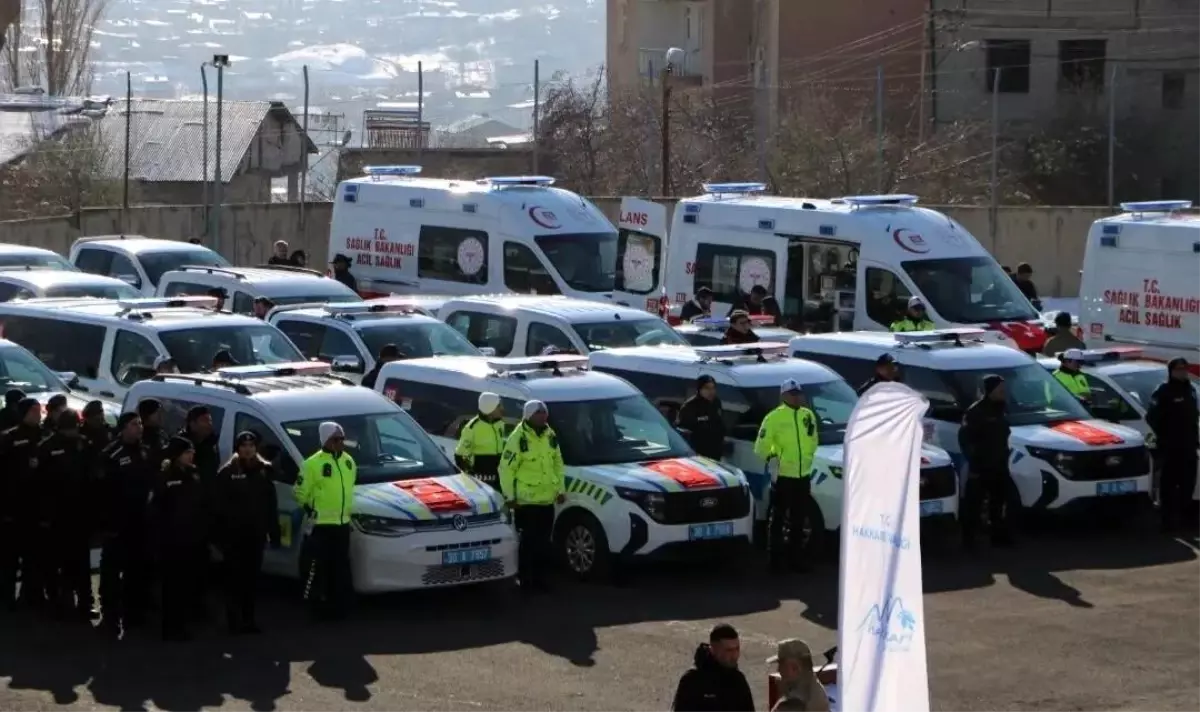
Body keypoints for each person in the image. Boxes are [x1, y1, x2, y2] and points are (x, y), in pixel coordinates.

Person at [213, 431, 281, 634]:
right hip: (233, 536)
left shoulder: (264, 470)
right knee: (234, 580)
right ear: (238, 448)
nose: (248, 449)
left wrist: (274, 532)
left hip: (256, 535)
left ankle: (249, 620)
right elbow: (217, 507)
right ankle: (233, 621)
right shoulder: (227, 472)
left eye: (251, 446)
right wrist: (219, 537)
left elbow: (271, 505)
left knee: (252, 580)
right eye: (244, 446)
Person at [499, 400, 565, 592]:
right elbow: (506, 469)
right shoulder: (518, 438)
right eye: (539, 413)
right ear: (529, 415)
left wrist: (560, 490)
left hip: (547, 500)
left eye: (544, 412)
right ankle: (525, 580)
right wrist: (509, 497)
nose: (543, 415)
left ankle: (540, 580)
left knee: (544, 542)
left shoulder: (550, 434)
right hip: (526, 502)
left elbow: (557, 463)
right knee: (528, 543)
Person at [754, 379, 820, 573]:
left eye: (798, 393)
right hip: (783, 476)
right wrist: (773, 458)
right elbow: (761, 446)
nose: (797, 397)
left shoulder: (807, 415)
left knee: (799, 519)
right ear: (783, 396)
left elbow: (813, 439)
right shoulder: (774, 417)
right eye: (792, 394)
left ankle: (796, 559)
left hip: (803, 475)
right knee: (778, 519)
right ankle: (775, 561)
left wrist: (808, 457)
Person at [98, 412, 154, 637]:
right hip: (117, 524)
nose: (139, 427)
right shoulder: (111, 454)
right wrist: (106, 523)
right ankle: (110, 618)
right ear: (123, 428)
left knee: (137, 571)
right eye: (133, 424)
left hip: (139, 523)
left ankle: (133, 615)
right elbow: (101, 492)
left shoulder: (146, 451)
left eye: (140, 423)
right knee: (111, 574)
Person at [296, 421, 356, 620]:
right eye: (336, 439)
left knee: (340, 567)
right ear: (326, 439)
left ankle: (338, 606)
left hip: (342, 524)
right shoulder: (312, 464)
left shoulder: (349, 462)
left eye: (342, 439)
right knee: (317, 567)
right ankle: (316, 607)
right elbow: (299, 492)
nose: (340, 443)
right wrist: (310, 509)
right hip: (321, 525)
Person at [38, 409, 94, 620]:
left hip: (79, 513)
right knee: (56, 562)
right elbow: (40, 485)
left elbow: (91, 479)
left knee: (80, 562)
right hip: (56, 515)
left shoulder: (83, 444)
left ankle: (85, 602)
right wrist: (44, 516)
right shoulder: (48, 447)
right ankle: (58, 602)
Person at [150, 436, 206, 641]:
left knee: (185, 584)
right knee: (171, 586)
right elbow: (155, 510)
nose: (191, 456)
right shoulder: (165, 477)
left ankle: (182, 623)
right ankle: (170, 627)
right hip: (171, 540)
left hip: (191, 538)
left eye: (192, 452)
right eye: (187, 453)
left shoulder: (194, 474)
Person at [958, 374, 1019, 549]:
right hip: (980, 467)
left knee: (1002, 502)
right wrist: (975, 464)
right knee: (974, 505)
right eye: (1000, 389)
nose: (1003, 392)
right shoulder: (975, 412)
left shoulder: (1001, 408)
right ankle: (969, 541)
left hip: (999, 465)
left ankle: (998, 536)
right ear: (990, 390)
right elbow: (965, 440)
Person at [1146, 358, 1199, 533]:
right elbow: (1151, 417)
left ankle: (1186, 519)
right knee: (1168, 485)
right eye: (1179, 369)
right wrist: (1166, 435)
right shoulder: (1163, 391)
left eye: (1185, 368)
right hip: (1170, 447)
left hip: (1189, 446)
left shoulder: (1191, 389)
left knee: (1188, 484)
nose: (1183, 371)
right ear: (1171, 371)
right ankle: (1167, 521)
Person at [1, 398, 43, 608]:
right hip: (13, 506)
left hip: (35, 507)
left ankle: (30, 596)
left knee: (33, 556)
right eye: (33, 410)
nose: (37, 414)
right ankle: (6, 597)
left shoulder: (45, 436)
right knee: (9, 557)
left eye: (38, 410)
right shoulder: (9, 437)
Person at [671, 623, 755, 712]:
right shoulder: (692, 680)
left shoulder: (738, 680)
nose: (734, 655)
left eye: (737, 649)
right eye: (729, 650)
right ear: (713, 650)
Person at [455, 392, 507, 490]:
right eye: (499, 406)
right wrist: (472, 476)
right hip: (481, 479)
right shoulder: (472, 428)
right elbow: (460, 456)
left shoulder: (500, 424)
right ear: (490, 408)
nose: (502, 409)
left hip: (497, 477)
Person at [768, 639, 830, 712]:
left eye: (782, 665)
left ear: (795, 667)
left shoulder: (794, 702)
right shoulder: (811, 684)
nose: (778, 670)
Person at [676, 375, 726, 460]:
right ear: (700, 389)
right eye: (707, 388)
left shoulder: (716, 402)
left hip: (715, 452)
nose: (711, 391)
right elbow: (682, 430)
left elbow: (719, 422)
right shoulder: (690, 406)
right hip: (697, 454)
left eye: (713, 388)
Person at [139, 398, 168, 464]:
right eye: (157, 413)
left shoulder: (162, 433)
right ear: (147, 415)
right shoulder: (139, 434)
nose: (161, 415)